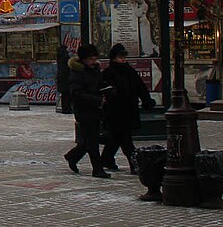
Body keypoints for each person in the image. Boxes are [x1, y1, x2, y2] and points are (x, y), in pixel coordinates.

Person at [101, 43, 155, 174]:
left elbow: (140, 87)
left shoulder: (130, 71)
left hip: (129, 109)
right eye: (120, 57)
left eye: (124, 57)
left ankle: (106, 159)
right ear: (113, 58)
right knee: (126, 140)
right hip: (115, 111)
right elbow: (104, 90)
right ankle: (134, 164)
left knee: (116, 138)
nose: (123, 60)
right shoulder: (108, 73)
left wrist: (146, 100)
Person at [63, 44, 112, 179]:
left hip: (96, 109)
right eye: (90, 59)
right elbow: (77, 94)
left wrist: (108, 90)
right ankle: (97, 169)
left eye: (94, 58)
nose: (93, 61)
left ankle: (72, 156)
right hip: (84, 110)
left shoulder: (95, 70)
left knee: (90, 139)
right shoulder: (76, 72)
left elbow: (99, 84)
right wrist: (96, 100)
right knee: (92, 141)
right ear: (83, 59)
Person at [56, 43, 72, 114]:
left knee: (64, 95)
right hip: (66, 78)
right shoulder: (66, 57)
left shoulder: (59, 57)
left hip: (61, 78)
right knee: (67, 95)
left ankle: (64, 108)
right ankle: (67, 108)